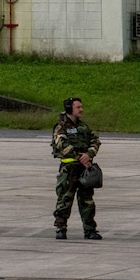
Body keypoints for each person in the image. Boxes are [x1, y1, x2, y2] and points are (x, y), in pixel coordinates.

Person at [51, 96, 102, 240]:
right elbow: (63, 144)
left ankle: (90, 229)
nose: (81, 109)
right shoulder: (60, 127)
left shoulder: (83, 127)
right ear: (69, 109)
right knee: (64, 200)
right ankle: (61, 228)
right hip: (69, 169)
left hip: (84, 169)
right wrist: (81, 157)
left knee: (87, 201)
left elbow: (95, 140)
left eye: (81, 107)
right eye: (78, 107)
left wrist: (89, 154)